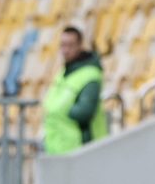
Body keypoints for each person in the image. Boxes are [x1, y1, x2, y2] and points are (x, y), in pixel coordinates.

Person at [42, 27, 107, 155]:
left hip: (81, 150)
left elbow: (85, 111)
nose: (66, 50)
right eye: (63, 45)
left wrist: (62, 110)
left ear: (80, 45)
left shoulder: (90, 74)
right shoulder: (64, 72)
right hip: (58, 149)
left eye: (70, 45)